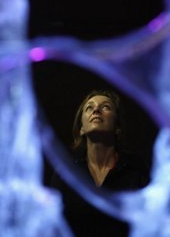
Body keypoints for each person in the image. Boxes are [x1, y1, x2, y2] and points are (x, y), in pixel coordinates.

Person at [51, 90, 149, 237]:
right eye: (89, 107)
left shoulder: (136, 169)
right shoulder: (66, 172)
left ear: (117, 128)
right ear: (82, 129)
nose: (96, 110)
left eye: (106, 107)